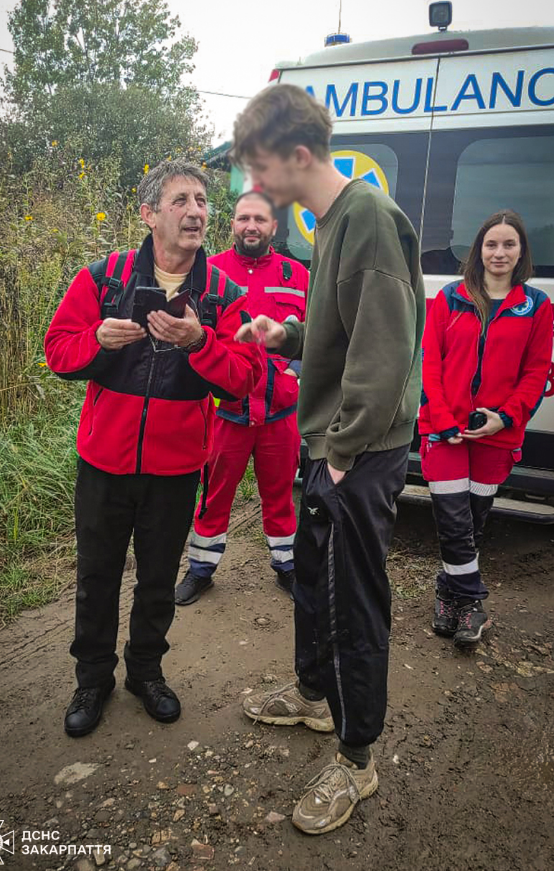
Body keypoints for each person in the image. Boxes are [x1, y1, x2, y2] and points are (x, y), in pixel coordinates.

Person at [232, 84, 425, 835]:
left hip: (359, 449)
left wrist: (341, 454)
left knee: (352, 604)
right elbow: (338, 329)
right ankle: (314, 697)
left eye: (259, 169)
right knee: (311, 581)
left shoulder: (369, 220)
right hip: (332, 441)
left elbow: (383, 354)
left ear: (299, 156)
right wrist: (287, 335)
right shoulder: (329, 221)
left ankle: (357, 756)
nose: (253, 187)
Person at [44, 159, 263, 738]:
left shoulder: (223, 294)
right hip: (103, 461)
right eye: (181, 201)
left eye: (201, 201)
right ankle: (93, 678)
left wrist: (200, 341)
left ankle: (146, 671)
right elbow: (58, 351)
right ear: (148, 214)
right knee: (96, 576)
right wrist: (95, 339)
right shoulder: (104, 277)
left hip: (175, 467)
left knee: (159, 577)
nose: (196, 212)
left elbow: (245, 376)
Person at [420, 209, 553, 647]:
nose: (499, 252)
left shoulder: (537, 306)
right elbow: (431, 365)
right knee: (454, 518)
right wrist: (443, 419)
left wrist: (505, 416)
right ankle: (473, 600)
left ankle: (448, 592)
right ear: (478, 250)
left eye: (508, 244)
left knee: (473, 522)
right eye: (491, 244)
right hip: (445, 430)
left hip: (498, 433)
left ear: (520, 252)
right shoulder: (451, 298)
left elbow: (536, 372)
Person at [175, 190, 309, 605]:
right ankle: (201, 570)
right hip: (225, 411)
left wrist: (295, 375)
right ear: (231, 223)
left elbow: (315, 336)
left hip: (280, 411)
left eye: (260, 219)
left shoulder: (298, 276)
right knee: (213, 495)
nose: (251, 226)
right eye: (243, 218)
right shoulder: (208, 273)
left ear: (274, 227)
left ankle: (288, 567)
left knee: (281, 493)